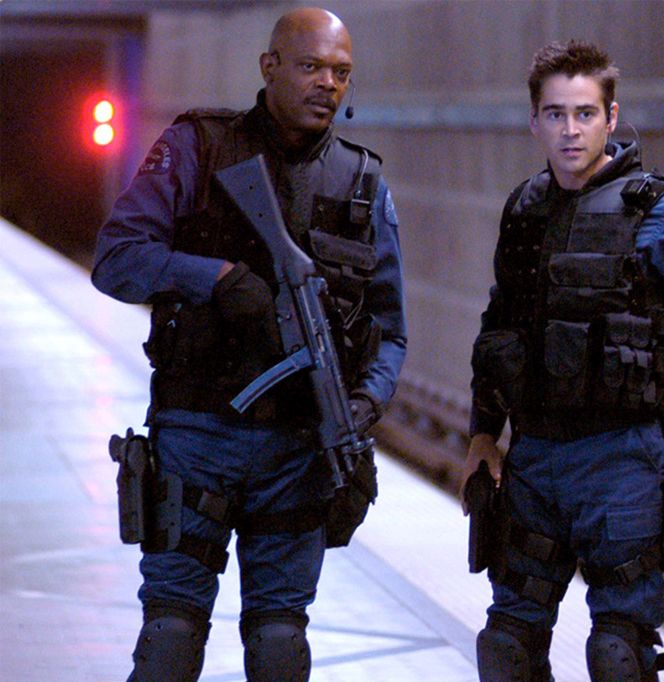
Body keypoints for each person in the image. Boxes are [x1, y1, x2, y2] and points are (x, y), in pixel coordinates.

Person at [91, 8, 406, 681]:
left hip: (298, 452)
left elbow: (392, 327)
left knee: (279, 646)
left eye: (341, 72)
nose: (328, 84)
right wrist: (212, 278)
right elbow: (116, 260)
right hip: (196, 434)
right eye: (311, 67)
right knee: (171, 638)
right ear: (270, 66)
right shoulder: (199, 147)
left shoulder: (363, 184)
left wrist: (366, 401)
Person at [462, 40, 664, 682]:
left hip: (621, 459)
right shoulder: (525, 209)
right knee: (507, 648)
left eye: (585, 113)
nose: (571, 130)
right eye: (556, 114)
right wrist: (484, 433)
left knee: (618, 653)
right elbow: (500, 326)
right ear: (534, 121)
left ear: (611, 117)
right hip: (533, 459)